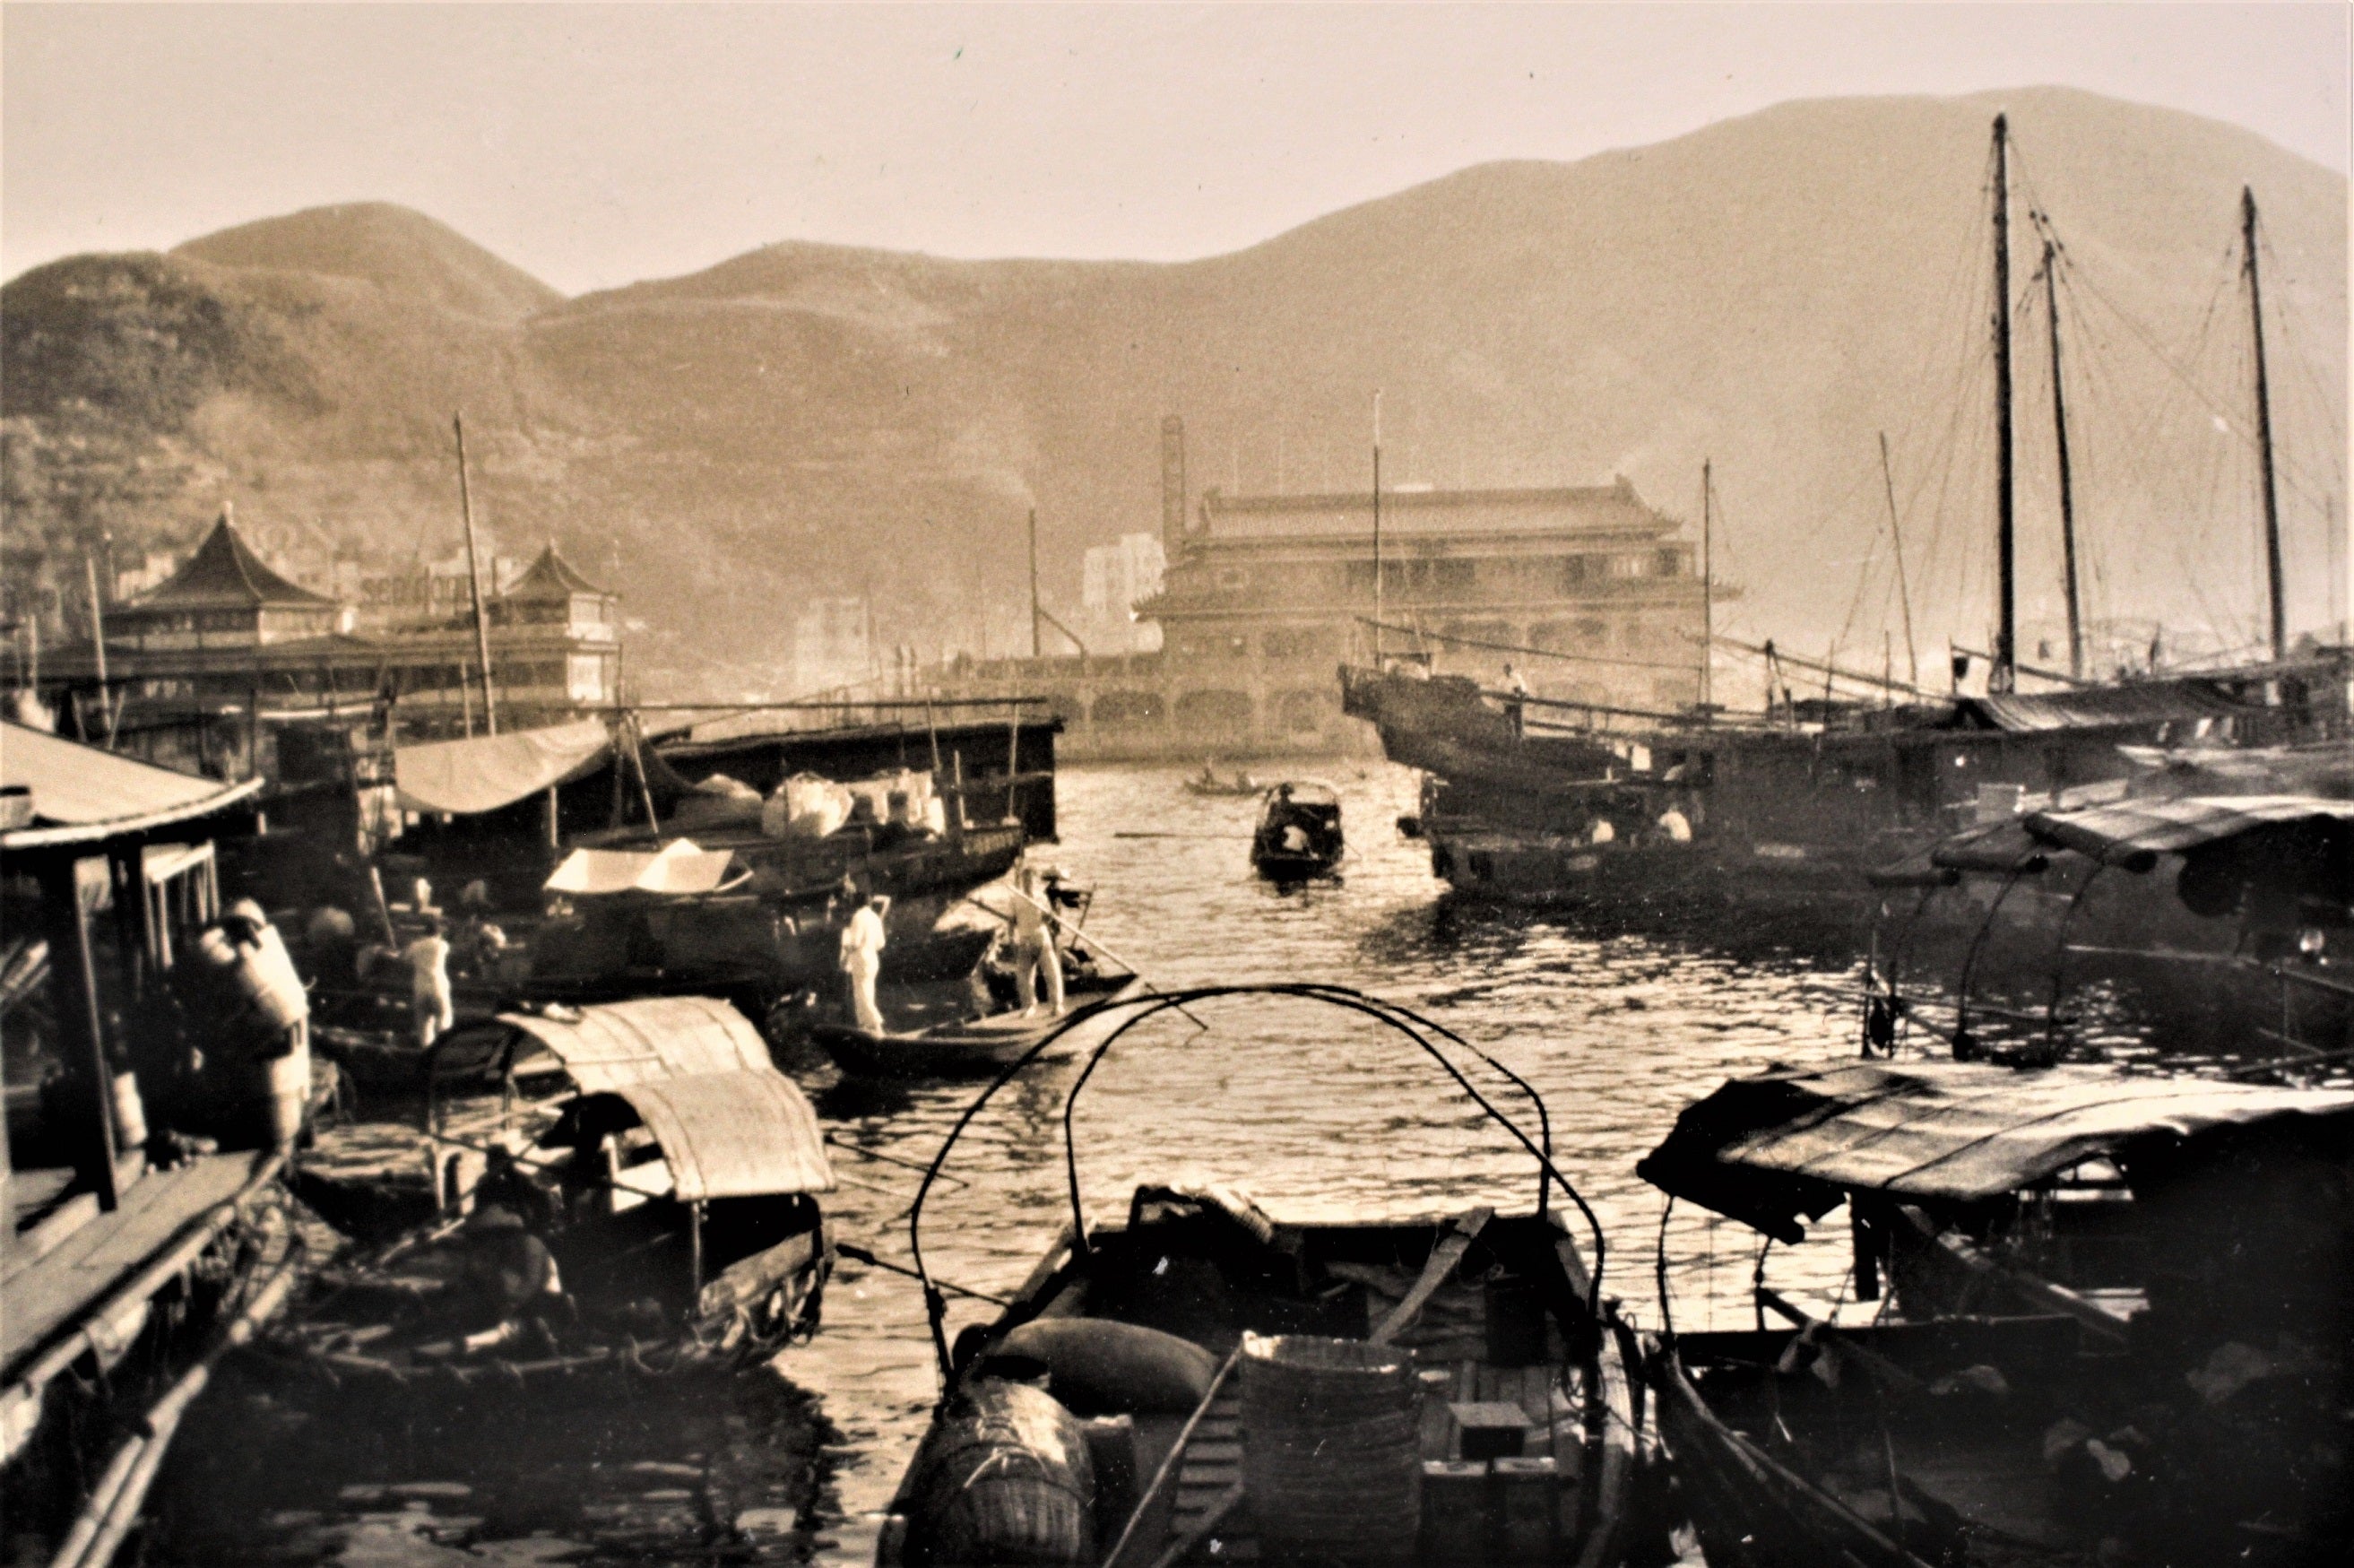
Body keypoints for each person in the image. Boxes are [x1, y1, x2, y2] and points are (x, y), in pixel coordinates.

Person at [1008, 862, 1065, 1017]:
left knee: (1052, 972)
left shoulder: (1041, 897)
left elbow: (1047, 919)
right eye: (1026, 879)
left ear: (1035, 880)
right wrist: (1011, 937)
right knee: (1024, 976)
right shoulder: (1016, 898)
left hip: (1042, 939)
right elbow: (1011, 921)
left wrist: (1049, 916)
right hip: (1025, 940)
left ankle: (1057, 1005)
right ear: (1022, 880)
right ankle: (1029, 1006)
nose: (1028, 883)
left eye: (1031, 880)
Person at [839, 890, 891, 1033]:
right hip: (873, 958)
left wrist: (845, 952)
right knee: (867, 993)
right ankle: (865, 1026)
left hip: (861, 959)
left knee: (862, 994)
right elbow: (881, 943)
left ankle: (876, 1025)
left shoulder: (858, 917)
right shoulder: (875, 918)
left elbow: (855, 942)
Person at [406, 914, 454, 1049]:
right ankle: (443, 1048)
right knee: (444, 1017)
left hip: (420, 986)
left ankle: (427, 1050)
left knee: (424, 1023)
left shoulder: (415, 946)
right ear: (438, 932)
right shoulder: (442, 945)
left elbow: (406, 958)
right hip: (438, 985)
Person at [1502, 663, 1530, 740]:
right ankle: (1510, 737)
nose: (1506, 671)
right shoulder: (1505, 678)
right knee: (1508, 720)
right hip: (1508, 702)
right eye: (1505, 670)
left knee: (1518, 721)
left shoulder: (1516, 677)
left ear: (1510, 669)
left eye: (1508, 669)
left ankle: (1519, 737)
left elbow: (1519, 689)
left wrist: (1518, 694)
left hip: (1516, 702)